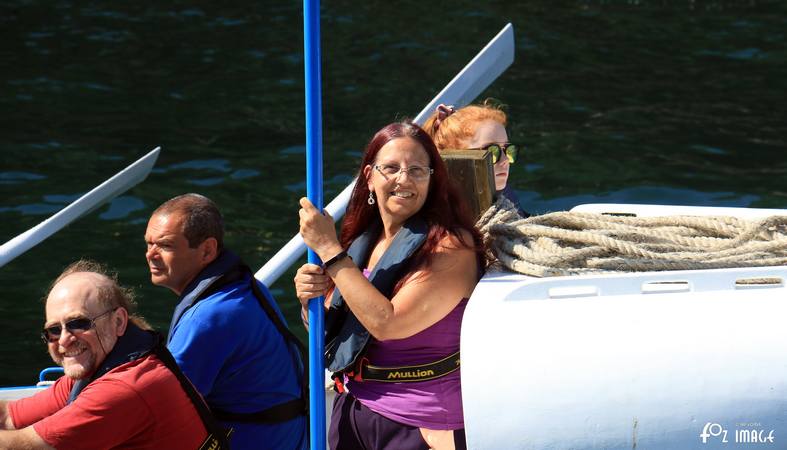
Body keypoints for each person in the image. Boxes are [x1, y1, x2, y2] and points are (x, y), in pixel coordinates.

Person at [295, 121, 486, 450]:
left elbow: (388, 322)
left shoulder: (452, 247)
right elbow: (336, 327)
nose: (404, 179)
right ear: (369, 177)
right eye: (391, 168)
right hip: (354, 409)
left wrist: (330, 252)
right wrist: (308, 297)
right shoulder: (362, 243)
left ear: (431, 179)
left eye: (417, 170)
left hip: (422, 425)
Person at [0, 260, 228, 449]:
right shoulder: (104, 365)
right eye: (53, 330)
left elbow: (22, 446)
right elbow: (9, 416)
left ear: (118, 321)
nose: (64, 340)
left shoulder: (126, 387)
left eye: (79, 323)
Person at [144, 193, 307, 450]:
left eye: (165, 246)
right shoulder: (243, 286)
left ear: (207, 250)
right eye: (148, 244)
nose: (150, 255)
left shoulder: (208, 318)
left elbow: (164, 408)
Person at [424, 101, 529, 217]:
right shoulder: (436, 219)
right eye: (491, 151)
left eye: (508, 150)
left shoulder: (504, 198)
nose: (505, 160)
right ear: (454, 157)